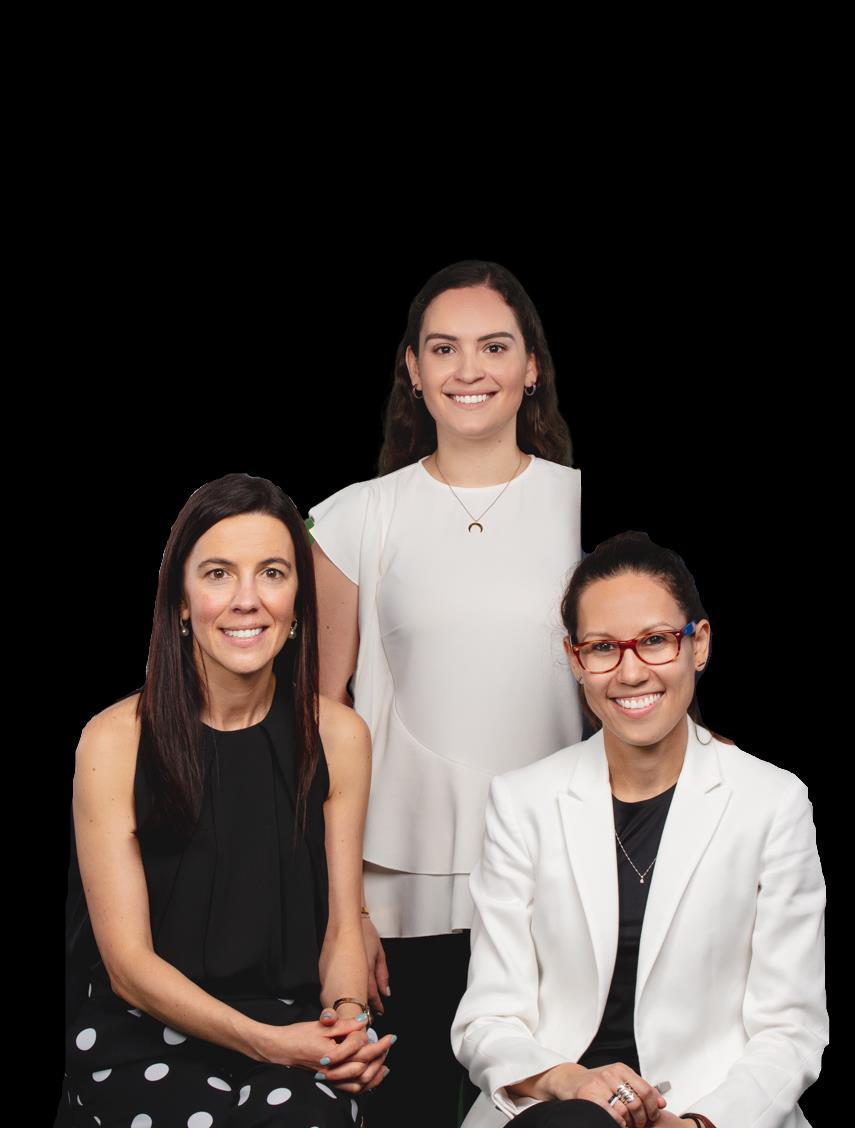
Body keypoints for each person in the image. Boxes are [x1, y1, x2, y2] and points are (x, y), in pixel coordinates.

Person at [308, 260, 583, 1123]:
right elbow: (322, 720)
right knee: (414, 1107)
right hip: (400, 883)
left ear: (530, 367)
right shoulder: (349, 517)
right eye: (443, 348)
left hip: (559, 871)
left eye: (493, 347)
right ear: (413, 369)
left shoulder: (581, 508)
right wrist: (345, 910)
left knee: (548, 1106)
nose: (469, 369)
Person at [451, 530, 827, 1127]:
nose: (630, 672)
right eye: (603, 647)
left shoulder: (772, 802)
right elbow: (487, 1021)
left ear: (699, 644)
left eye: (654, 641)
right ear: (576, 660)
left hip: (713, 1111)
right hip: (556, 1108)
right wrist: (571, 1082)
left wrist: (700, 1123)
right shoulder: (522, 802)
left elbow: (791, 1030)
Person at [56, 473, 395, 1127]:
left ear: (297, 602)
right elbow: (128, 967)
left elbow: (341, 929)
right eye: (218, 574)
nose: (247, 600)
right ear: (181, 603)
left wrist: (348, 1024)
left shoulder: (339, 736)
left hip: (295, 1022)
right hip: (142, 1031)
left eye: (272, 573)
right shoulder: (113, 741)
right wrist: (269, 1044)